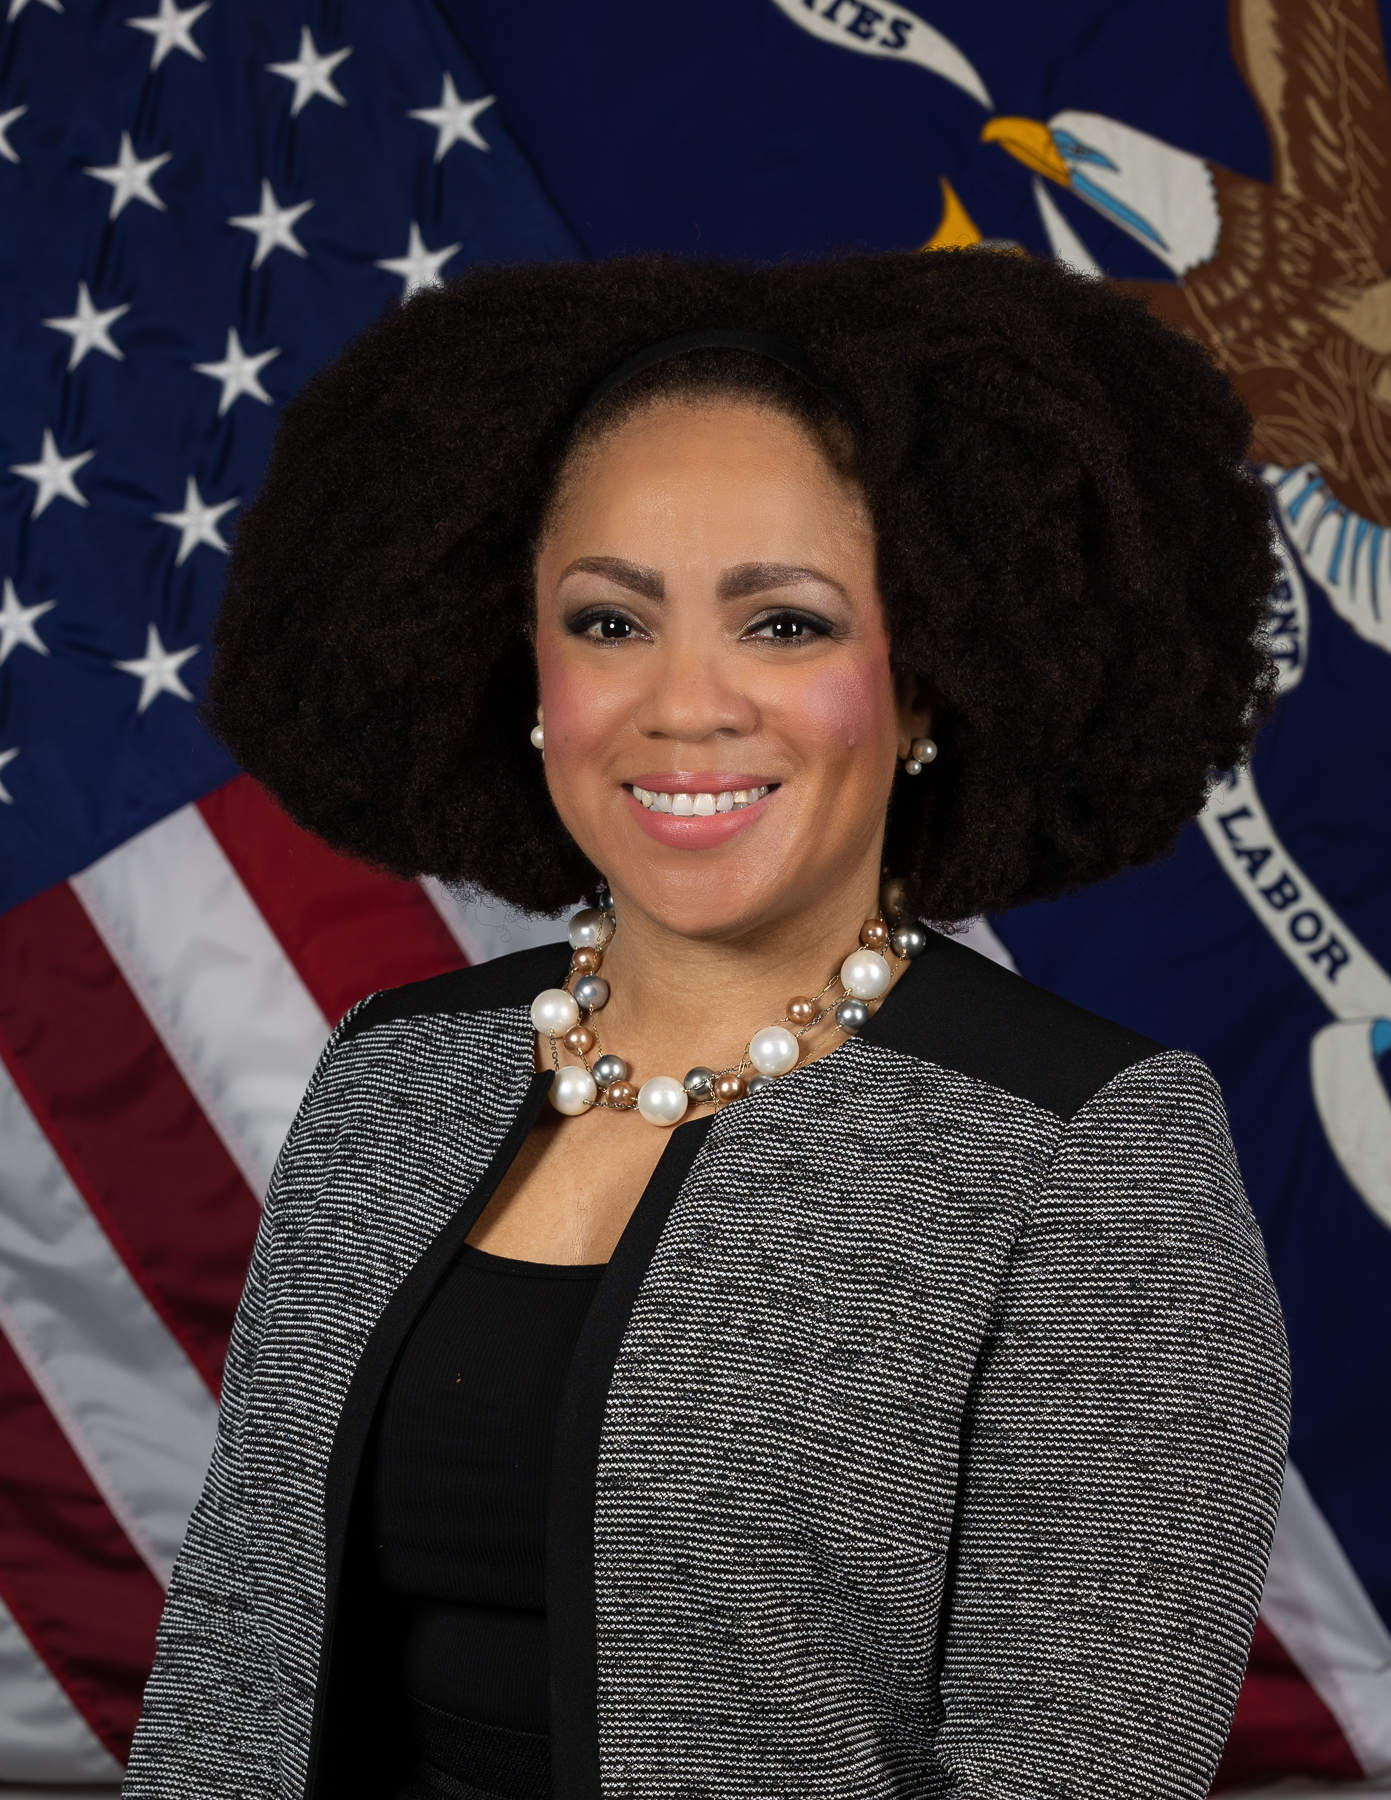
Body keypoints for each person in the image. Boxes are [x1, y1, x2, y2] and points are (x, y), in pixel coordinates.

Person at [123, 250, 1290, 1800]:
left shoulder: (1085, 1156)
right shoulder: (396, 1075)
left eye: (786, 625)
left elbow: (1077, 1760)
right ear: (524, 667)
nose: (685, 703)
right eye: (608, 622)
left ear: (927, 683)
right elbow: (234, 1658)